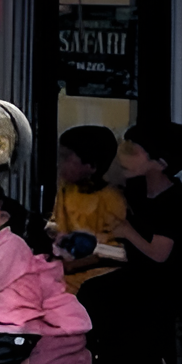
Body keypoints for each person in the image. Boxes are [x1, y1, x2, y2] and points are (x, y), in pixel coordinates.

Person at [80, 119, 182, 364]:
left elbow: (159, 254)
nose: (124, 157)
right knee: (90, 289)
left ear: (160, 162)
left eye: (133, 151)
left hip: (162, 280)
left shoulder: (174, 201)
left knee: (110, 295)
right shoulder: (134, 192)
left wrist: (128, 232)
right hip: (134, 270)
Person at [0, 196, 93, 364]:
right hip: (33, 328)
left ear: (2, 218)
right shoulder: (28, 257)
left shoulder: (13, 246)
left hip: (47, 330)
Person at [49, 125, 125, 291]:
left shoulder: (112, 200)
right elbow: (57, 224)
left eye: (65, 158)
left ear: (91, 165)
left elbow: (119, 252)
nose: (59, 163)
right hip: (62, 276)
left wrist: (74, 265)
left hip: (95, 283)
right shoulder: (66, 189)